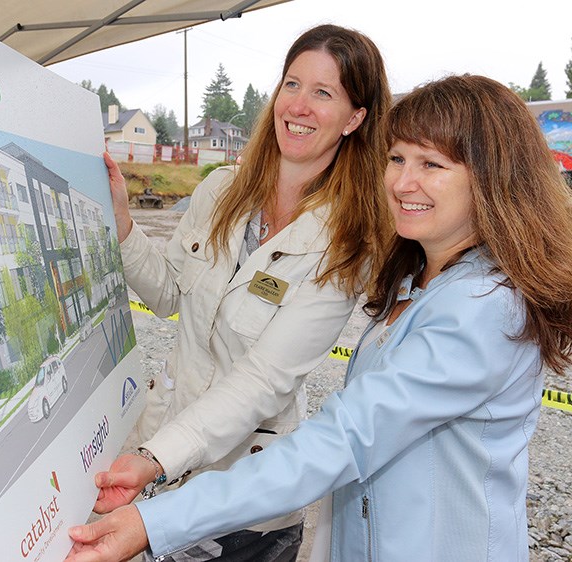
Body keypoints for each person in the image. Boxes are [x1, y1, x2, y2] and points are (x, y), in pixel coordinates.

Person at [66, 74, 572, 562]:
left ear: (494, 177)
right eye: (396, 158)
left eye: (432, 164)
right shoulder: (416, 281)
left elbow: (344, 438)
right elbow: (175, 291)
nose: (402, 181)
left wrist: (153, 521)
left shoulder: (481, 308)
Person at [92, 23, 391, 561]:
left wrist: (156, 457)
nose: (298, 105)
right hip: (166, 463)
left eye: (324, 93)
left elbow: (264, 380)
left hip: (244, 505)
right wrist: (122, 225)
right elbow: (167, 294)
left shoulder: (346, 242)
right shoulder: (219, 190)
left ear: (355, 118)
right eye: (292, 84)